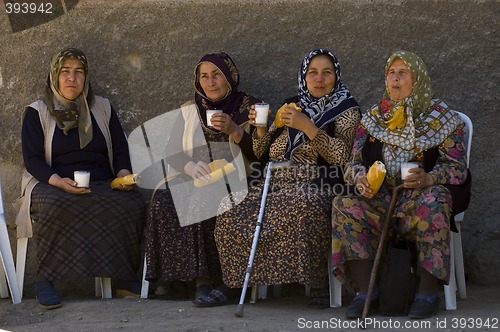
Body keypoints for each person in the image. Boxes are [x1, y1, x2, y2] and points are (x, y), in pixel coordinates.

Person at [193, 48, 361, 307]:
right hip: (275, 182)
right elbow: (261, 152)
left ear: (336, 77)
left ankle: (317, 282)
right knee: (230, 207)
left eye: (326, 73)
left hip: (319, 181)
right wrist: (261, 128)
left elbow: (345, 157)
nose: (319, 79)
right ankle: (234, 283)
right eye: (312, 73)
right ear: (303, 77)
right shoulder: (292, 104)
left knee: (305, 205)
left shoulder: (347, 111)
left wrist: (308, 127)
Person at [331, 51, 470, 319]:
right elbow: (353, 163)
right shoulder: (373, 118)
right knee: (344, 204)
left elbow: (457, 168)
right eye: (391, 73)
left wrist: (429, 178)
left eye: (402, 73)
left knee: (435, 201)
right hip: (380, 200)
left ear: (417, 80)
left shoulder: (441, 118)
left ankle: (427, 293)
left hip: (420, 198)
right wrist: (361, 181)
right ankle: (365, 292)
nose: (395, 79)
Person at [17, 48, 146, 309]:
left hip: (100, 180)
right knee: (54, 205)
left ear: (85, 78)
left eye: (78, 72)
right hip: (51, 181)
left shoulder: (102, 108)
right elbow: (32, 160)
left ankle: (122, 278)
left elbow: (120, 151)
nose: (71, 78)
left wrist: (123, 176)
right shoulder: (37, 112)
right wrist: (58, 181)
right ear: (55, 76)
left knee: (131, 203)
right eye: (65, 72)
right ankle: (45, 280)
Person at [143, 52, 262, 300]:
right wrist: (188, 167)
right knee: (163, 200)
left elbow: (261, 153)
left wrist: (235, 130)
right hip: (196, 175)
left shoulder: (250, 108)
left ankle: (204, 280)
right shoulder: (190, 109)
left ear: (229, 76)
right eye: (204, 76)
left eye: (217, 74)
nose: (210, 82)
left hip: (235, 177)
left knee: (202, 197)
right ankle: (173, 278)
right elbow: (172, 151)